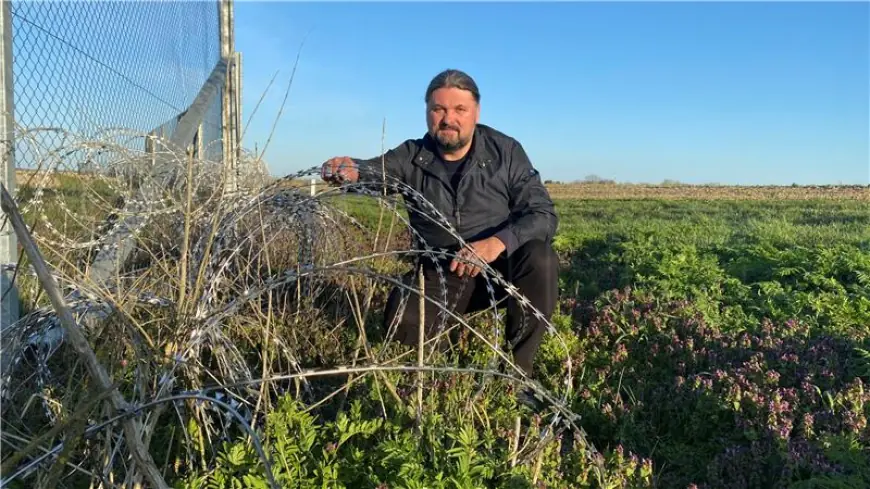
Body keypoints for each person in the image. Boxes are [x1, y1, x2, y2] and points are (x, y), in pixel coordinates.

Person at [320, 69, 559, 385]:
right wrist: (351, 170)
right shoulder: (411, 156)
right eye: (438, 109)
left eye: (460, 109)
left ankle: (517, 373)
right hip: (443, 272)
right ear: (427, 112)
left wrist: (497, 243)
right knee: (401, 319)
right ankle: (445, 371)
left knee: (541, 258)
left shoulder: (506, 152)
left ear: (476, 112)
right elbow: (375, 172)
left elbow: (543, 214)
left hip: (502, 270)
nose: (449, 119)